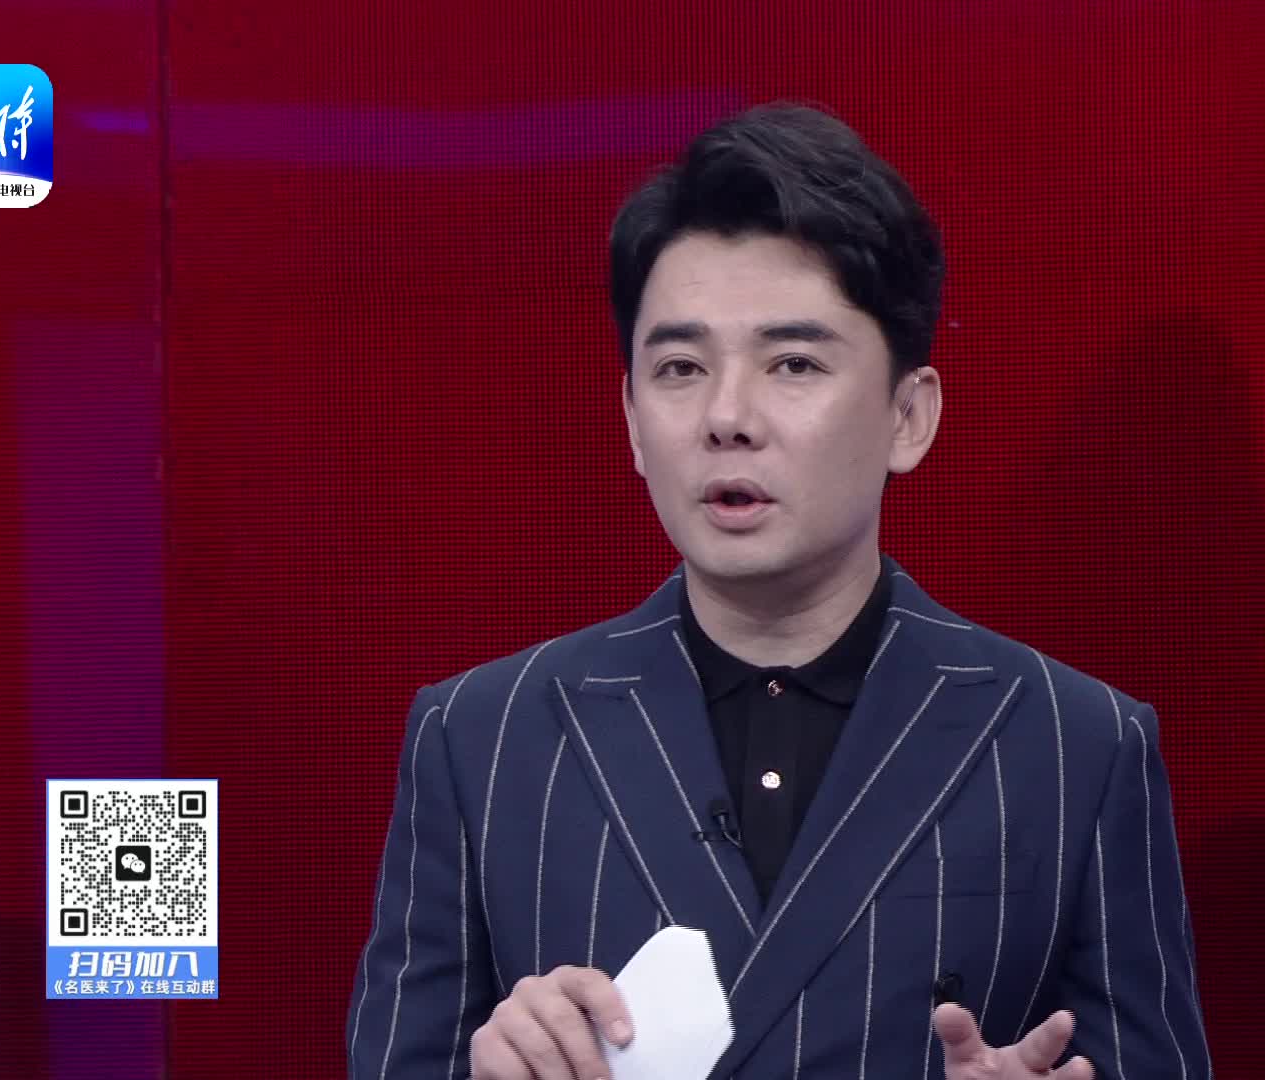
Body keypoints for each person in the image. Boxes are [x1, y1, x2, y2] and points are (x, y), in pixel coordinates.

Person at [345, 101, 1211, 1080]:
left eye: (793, 363)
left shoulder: (1077, 747)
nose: (726, 416)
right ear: (631, 420)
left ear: (909, 416)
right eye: (680, 367)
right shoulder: (481, 740)